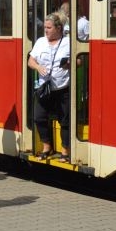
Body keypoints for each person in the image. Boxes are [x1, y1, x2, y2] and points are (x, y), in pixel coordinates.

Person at [28, 12, 71, 160]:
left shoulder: (68, 42)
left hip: (62, 87)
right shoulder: (40, 41)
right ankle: (47, 146)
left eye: (49, 27)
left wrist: (69, 65)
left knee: (64, 120)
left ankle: (65, 151)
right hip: (44, 87)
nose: (45, 30)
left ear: (58, 28)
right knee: (39, 117)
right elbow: (30, 61)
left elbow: (78, 62)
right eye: (45, 27)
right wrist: (38, 67)